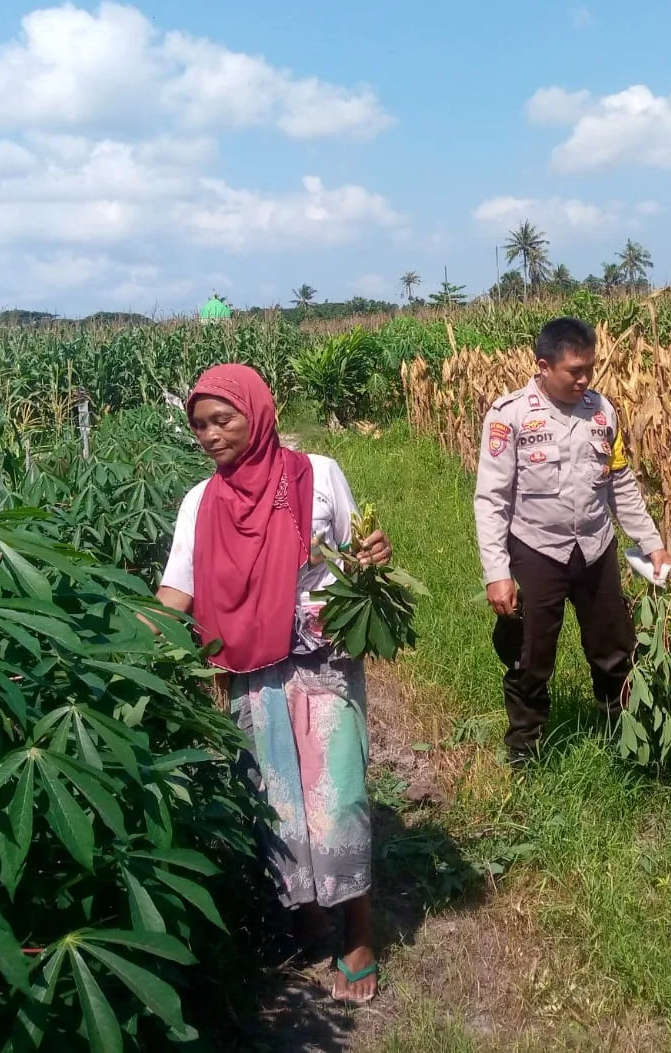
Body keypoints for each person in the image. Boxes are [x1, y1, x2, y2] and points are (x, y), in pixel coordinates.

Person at [154, 363, 391, 1004]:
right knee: (279, 796)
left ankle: (359, 932)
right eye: (200, 425)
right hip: (248, 667)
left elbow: (353, 549)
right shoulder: (201, 503)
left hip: (322, 656)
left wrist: (371, 556)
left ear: (256, 414)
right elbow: (179, 588)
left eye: (222, 419)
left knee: (337, 794)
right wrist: (131, 640)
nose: (210, 435)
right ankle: (307, 911)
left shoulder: (318, 476)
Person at [473, 317, 671, 765]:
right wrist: (497, 572)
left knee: (615, 650)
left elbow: (620, 481)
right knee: (530, 657)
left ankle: (627, 739)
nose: (584, 379)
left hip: (596, 548)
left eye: (590, 369)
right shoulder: (510, 416)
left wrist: (651, 541)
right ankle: (525, 754)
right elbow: (491, 499)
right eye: (574, 371)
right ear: (543, 366)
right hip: (536, 549)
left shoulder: (602, 412)